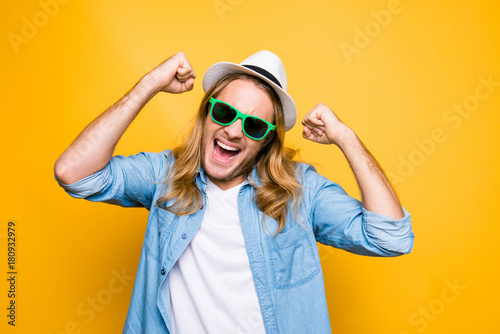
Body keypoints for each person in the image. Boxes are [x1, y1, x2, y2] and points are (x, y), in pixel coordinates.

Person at [54, 50, 414, 334]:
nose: (234, 131)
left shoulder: (300, 191)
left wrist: (345, 137)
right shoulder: (166, 176)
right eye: (225, 112)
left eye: (254, 124)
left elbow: (391, 237)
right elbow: (74, 173)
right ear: (206, 113)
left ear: (267, 140)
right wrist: (149, 83)